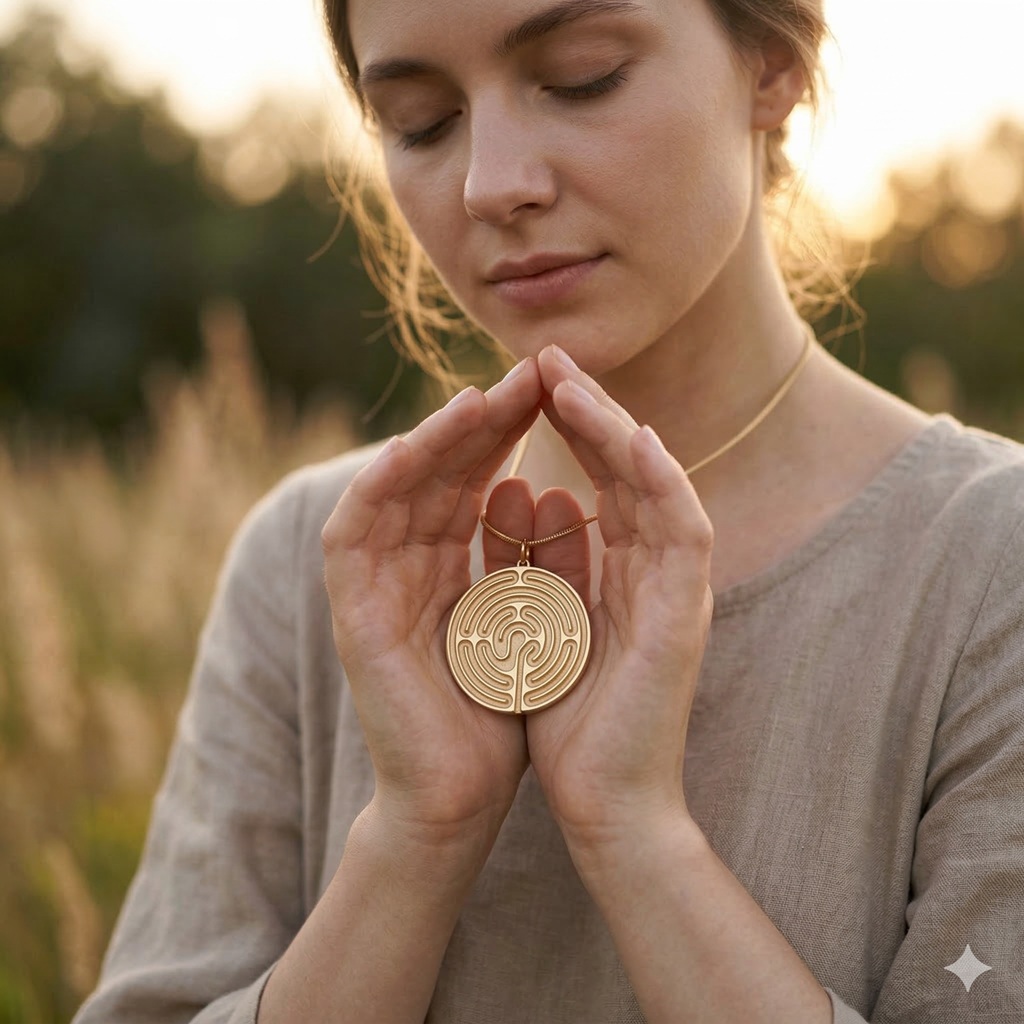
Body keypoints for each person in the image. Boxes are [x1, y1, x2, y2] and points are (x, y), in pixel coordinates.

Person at [73, 0, 1024, 1021]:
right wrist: (416, 837)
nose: (492, 185)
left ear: (774, 62)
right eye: (421, 121)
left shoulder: (985, 560)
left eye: (581, 77)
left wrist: (636, 836)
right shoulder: (312, 560)